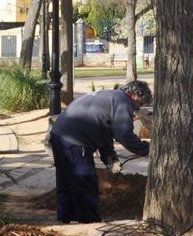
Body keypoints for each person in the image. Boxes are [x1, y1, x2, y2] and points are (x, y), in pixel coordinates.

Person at [49, 80, 152, 224]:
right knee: (85, 181)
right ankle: (88, 220)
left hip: (58, 134)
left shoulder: (110, 96)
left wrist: (110, 158)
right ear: (134, 95)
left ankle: (65, 217)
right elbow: (124, 134)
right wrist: (147, 149)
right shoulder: (123, 102)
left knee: (65, 180)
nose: (137, 108)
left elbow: (105, 130)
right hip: (75, 140)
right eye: (140, 103)